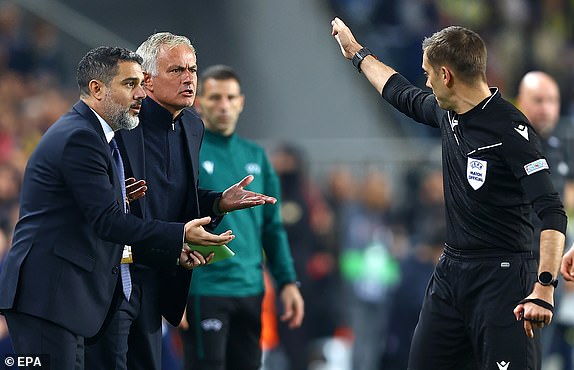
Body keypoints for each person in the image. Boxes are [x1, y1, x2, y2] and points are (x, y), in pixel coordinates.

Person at [331, 18, 567, 370]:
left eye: (427, 72)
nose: (424, 80)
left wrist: (544, 287)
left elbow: (552, 212)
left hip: (503, 278)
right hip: (452, 272)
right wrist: (356, 53)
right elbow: (399, 92)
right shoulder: (449, 113)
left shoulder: (513, 132)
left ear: (446, 75)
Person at [0, 46, 236, 370]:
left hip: (63, 299)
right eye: (130, 84)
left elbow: (95, 216)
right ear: (97, 89)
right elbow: (108, 222)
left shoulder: (98, 136)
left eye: (140, 83)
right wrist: (178, 233)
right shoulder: (80, 138)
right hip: (49, 298)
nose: (141, 93)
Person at [85, 35, 277, 370]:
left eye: (192, 69)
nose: (188, 78)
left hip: (156, 274)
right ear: (147, 79)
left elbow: (175, 199)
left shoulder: (191, 125)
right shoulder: (122, 122)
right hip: (112, 276)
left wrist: (218, 203)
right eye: (176, 70)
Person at [179, 65, 304, 370]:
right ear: (199, 103)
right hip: (203, 288)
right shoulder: (187, 152)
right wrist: (172, 288)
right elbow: (172, 220)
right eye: (216, 97)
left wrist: (288, 282)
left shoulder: (257, 156)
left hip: (250, 288)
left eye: (231, 98)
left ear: (241, 103)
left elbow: (273, 228)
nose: (224, 105)